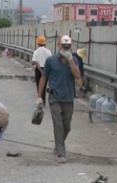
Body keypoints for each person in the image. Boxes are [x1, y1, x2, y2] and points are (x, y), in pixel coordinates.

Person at [36, 35, 81, 164]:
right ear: (59, 46)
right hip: (54, 96)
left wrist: (70, 60)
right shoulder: (51, 60)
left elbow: (77, 75)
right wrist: (39, 96)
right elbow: (43, 78)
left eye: (68, 47)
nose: (66, 49)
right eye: (63, 46)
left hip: (68, 97)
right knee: (58, 125)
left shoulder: (74, 60)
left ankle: (58, 144)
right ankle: (61, 153)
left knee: (67, 126)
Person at [32, 35, 52, 105]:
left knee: (38, 84)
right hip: (46, 69)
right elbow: (50, 61)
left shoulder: (36, 52)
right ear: (45, 43)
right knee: (45, 84)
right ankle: (43, 100)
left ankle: (40, 98)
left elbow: (35, 62)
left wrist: (40, 70)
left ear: (38, 43)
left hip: (38, 69)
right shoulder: (48, 52)